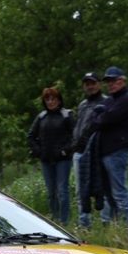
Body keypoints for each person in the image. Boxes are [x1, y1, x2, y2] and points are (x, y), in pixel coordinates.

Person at [92, 66, 128, 225]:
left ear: (122, 81)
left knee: (119, 191)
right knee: (106, 191)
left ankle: (127, 225)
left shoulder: (127, 99)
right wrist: (101, 117)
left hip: (118, 151)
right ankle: (109, 224)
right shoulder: (110, 100)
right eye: (108, 81)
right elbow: (96, 120)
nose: (111, 84)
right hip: (105, 151)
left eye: (114, 80)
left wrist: (101, 116)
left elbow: (106, 119)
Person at [27, 86, 75, 225]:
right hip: (46, 159)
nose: (50, 102)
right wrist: (38, 151)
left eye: (53, 98)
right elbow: (30, 136)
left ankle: (65, 221)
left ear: (59, 100)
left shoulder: (67, 115)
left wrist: (65, 150)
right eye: (47, 99)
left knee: (62, 191)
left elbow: (75, 137)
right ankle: (55, 220)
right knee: (51, 192)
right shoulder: (41, 117)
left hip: (62, 159)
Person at [72, 72, 108, 228]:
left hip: (97, 151)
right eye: (87, 84)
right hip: (79, 151)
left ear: (99, 84)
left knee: (103, 188)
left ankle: (106, 222)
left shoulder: (106, 102)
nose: (90, 86)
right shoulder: (82, 105)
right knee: (81, 190)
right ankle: (84, 224)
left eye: (93, 83)